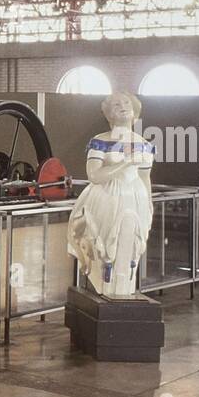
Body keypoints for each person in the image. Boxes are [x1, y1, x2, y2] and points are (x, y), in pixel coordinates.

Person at [66, 91, 154, 297]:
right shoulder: (100, 142)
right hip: (108, 196)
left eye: (126, 103)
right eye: (116, 105)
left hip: (135, 197)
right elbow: (94, 175)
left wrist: (148, 203)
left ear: (135, 111)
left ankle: (124, 287)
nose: (122, 106)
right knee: (105, 246)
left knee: (131, 245)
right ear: (109, 115)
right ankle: (106, 284)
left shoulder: (144, 144)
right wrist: (126, 162)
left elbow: (145, 177)